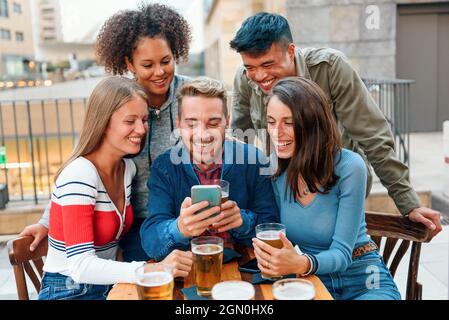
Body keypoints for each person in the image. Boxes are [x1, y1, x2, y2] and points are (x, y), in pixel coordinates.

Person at [229, 12, 441, 238]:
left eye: (268, 64)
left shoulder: (330, 68)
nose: (259, 76)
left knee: (329, 251)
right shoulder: (244, 79)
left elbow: (373, 137)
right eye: (250, 67)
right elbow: (242, 144)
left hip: (335, 182)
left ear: (291, 51)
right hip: (285, 185)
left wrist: (408, 203)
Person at [19, 3, 193, 265]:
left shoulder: (191, 95)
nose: (159, 72)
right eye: (147, 64)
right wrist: (47, 221)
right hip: (136, 225)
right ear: (129, 63)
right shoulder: (122, 102)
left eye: (166, 61)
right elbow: (88, 160)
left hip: (185, 216)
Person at [252, 77, 401, 300]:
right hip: (313, 279)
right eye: (271, 122)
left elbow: (342, 255)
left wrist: (300, 262)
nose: (276, 132)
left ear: (313, 124)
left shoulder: (350, 167)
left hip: (363, 276)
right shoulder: (274, 170)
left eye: (289, 123)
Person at [38, 76, 185, 300]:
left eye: (144, 120)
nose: (141, 129)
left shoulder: (127, 169)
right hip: (69, 290)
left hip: (107, 287)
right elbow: (81, 266)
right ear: (103, 122)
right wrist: (150, 269)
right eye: (130, 121)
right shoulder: (80, 173)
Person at [140, 77, 279, 261]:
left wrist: (242, 222)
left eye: (213, 123)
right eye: (191, 124)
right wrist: (180, 228)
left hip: (243, 267)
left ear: (227, 122)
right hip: (188, 270)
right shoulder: (164, 167)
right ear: (179, 123)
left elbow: (272, 226)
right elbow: (151, 242)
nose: (203, 135)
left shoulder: (254, 160)